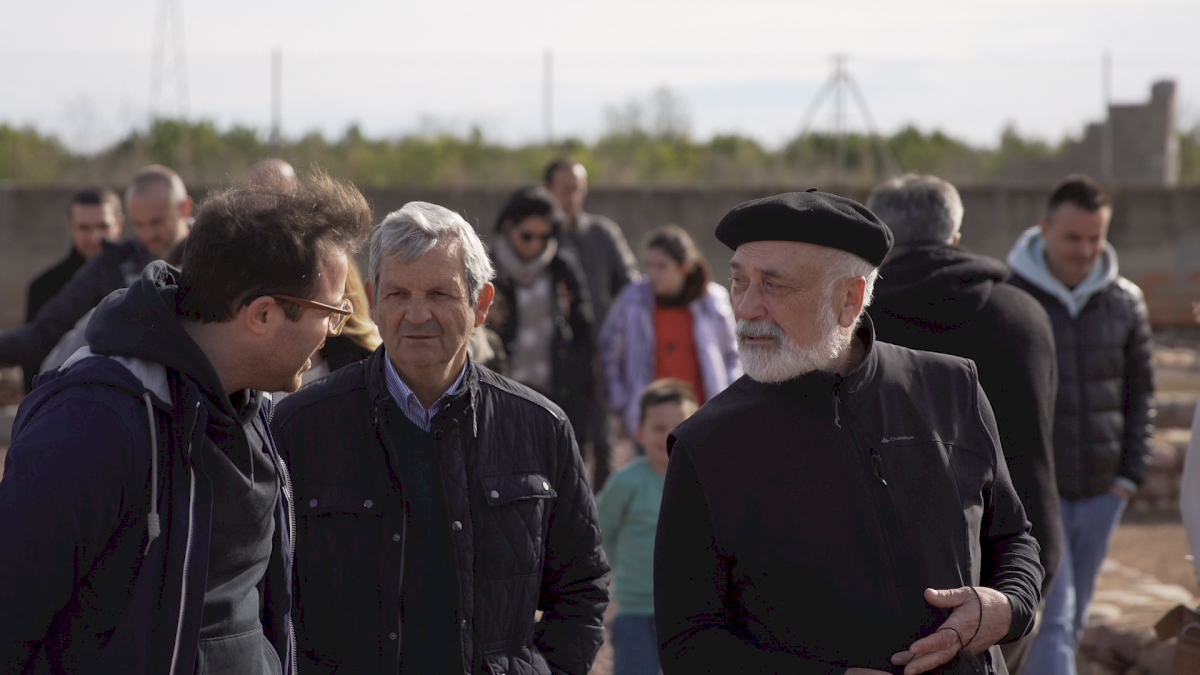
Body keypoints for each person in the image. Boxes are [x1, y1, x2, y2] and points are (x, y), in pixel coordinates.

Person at [654, 190, 1044, 675]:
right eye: (739, 281)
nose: (747, 307)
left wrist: (1007, 607)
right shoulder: (706, 444)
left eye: (774, 285)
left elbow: (1013, 538)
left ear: (849, 299)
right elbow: (687, 643)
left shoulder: (951, 388)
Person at [0, 170, 372, 673]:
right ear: (262, 315)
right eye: (330, 310)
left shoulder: (251, 408)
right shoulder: (94, 424)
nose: (335, 329)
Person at [271, 201, 610, 674]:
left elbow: (581, 588)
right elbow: (263, 598)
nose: (417, 314)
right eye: (398, 294)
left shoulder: (541, 427)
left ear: (481, 304)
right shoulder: (298, 427)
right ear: (372, 301)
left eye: (439, 294)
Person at [865, 174, 1063, 674]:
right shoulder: (1023, 315)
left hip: (896, 582)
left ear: (877, 238)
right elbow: (1044, 431)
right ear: (954, 235)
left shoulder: (858, 324)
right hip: (1019, 563)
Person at [1008, 175, 1155, 675]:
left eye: (1096, 238)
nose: (1086, 250)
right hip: (1037, 494)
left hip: (1102, 495)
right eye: (1073, 237)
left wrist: (1128, 476)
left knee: (1072, 617)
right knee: (1053, 617)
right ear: (1044, 228)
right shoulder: (1009, 298)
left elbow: (1141, 391)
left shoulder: (1125, 301)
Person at [0, 164, 193, 370]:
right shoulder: (112, 265)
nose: (148, 234)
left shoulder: (213, 252)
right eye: (139, 224)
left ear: (184, 208)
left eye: (157, 222)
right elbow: (46, 332)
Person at [545, 158, 639, 488]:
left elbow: (630, 288)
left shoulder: (602, 234)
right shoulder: (537, 236)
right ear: (548, 190)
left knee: (603, 441)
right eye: (565, 189)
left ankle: (602, 513)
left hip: (598, 354)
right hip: (550, 359)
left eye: (578, 189)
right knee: (556, 439)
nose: (572, 197)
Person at [600, 225, 740, 438]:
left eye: (662, 266)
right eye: (649, 265)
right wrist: (623, 403)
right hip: (649, 425)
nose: (653, 273)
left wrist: (727, 402)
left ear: (684, 267)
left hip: (704, 419)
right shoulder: (632, 302)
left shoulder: (712, 303)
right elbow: (608, 356)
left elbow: (733, 357)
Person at [596, 378, 697, 675]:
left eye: (679, 426)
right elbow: (599, 532)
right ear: (640, 432)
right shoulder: (626, 482)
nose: (669, 436)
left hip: (692, 613)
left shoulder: (702, 482)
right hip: (636, 610)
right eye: (658, 428)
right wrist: (618, 570)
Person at [488, 186, 594, 442]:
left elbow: (583, 330)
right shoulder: (487, 268)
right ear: (508, 227)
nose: (535, 244)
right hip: (499, 393)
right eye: (527, 236)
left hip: (554, 394)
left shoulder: (563, 269)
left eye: (544, 236)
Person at [20, 188, 124, 390]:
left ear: (118, 224)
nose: (94, 237)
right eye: (84, 228)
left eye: (102, 226)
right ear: (70, 227)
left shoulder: (136, 279)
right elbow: (32, 360)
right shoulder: (44, 287)